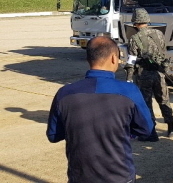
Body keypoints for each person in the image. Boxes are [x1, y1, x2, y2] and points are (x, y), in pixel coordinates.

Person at [47, 36, 154, 183]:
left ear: (88, 59)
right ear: (113, 58)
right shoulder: (130, 91)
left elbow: (53, 135)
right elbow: (146, 129)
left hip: (80, 177)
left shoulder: (64, 93)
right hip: (119, 176)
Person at [125, 7, 173, 140]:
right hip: (160, 73)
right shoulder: (159, 34)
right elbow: (164, 51)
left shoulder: (134, 39)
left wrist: (129, 77)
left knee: (146, 103)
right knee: (164, 100)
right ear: (147, 20)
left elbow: (131, 59)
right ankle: (171, 127)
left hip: (144, 74)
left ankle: (151, 132)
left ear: (135, 23)